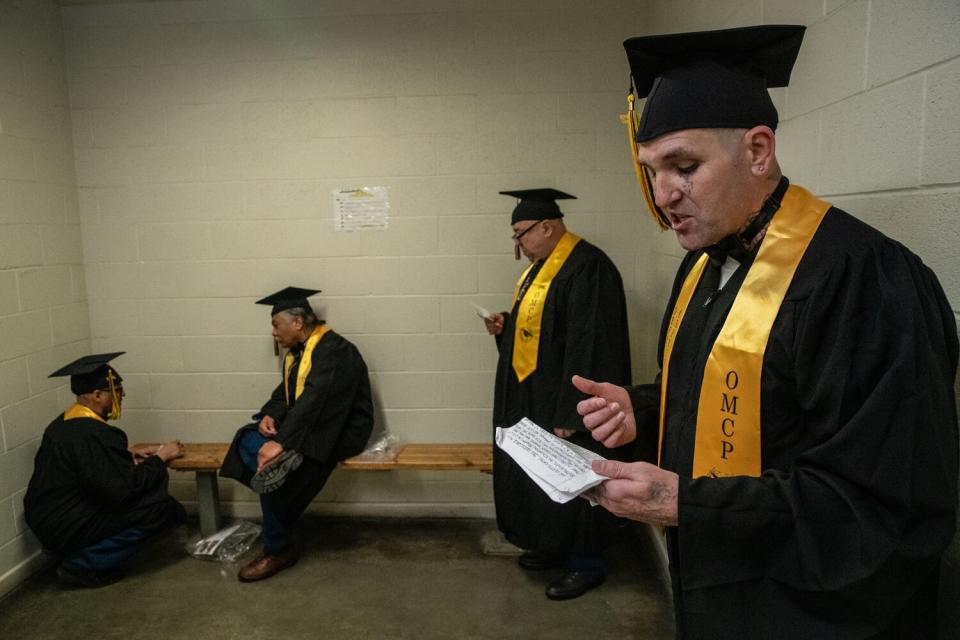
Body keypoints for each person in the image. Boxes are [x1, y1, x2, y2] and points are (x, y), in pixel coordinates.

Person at [573, 25, 958, 638]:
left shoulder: (861, 279)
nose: (663, 194)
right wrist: (643, 410)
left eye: (685, 166)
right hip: (720, 591)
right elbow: (752, 402)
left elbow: (885, 499)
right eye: (651, 171)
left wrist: (684, 503)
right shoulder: (703, 265)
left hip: (809, 611)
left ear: (758, 150)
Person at [484, 188, 632, 600]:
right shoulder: (539, 269)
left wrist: (573, 413)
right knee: (542, 473)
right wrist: (507, 327)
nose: (517, 243)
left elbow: (593, 343)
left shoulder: (589, 268)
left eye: (521, 233)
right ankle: (553, 545)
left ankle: (586, 563)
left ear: (547, 227)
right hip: (535, 395)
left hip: (567, 403)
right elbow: (549, 330)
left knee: (578, 476)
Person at [220, 286, 374, 582]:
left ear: (297, 322)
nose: (274, 333)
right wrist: (270, 415)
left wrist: (280, 442)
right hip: (308, 426)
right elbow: (285, 395)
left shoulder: (335, 351)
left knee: (273, 480)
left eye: (276, 325)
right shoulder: (298, 354)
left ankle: (278, 549)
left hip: (337, 432)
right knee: (248, 437)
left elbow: (316, 402)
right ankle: (279, 470)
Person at [24, 352, 186, 588]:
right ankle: (83, 565)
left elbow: (88, 464)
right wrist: (161, 457)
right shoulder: (95, 434)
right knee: (160, 509)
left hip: (50, 518)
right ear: (98, 395)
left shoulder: (64, 424)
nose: (123, 394)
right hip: (67, 525)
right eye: (117, 390)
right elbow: (122, 491)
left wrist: (121, 454)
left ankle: (78, 553)